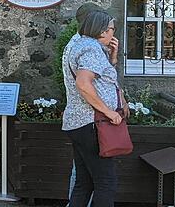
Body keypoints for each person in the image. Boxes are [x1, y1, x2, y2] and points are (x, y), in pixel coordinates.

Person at [62, 10, 127, 207]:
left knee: (85, 183)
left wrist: (112, 59)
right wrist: (109, 112)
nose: (112, 34)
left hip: (79, 124)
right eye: (111, 30)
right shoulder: (91, 49)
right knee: (106, 182)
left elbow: (100, 81)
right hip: (92, 124)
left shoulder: (81, 46)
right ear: (101, 30)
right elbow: (83, 83)